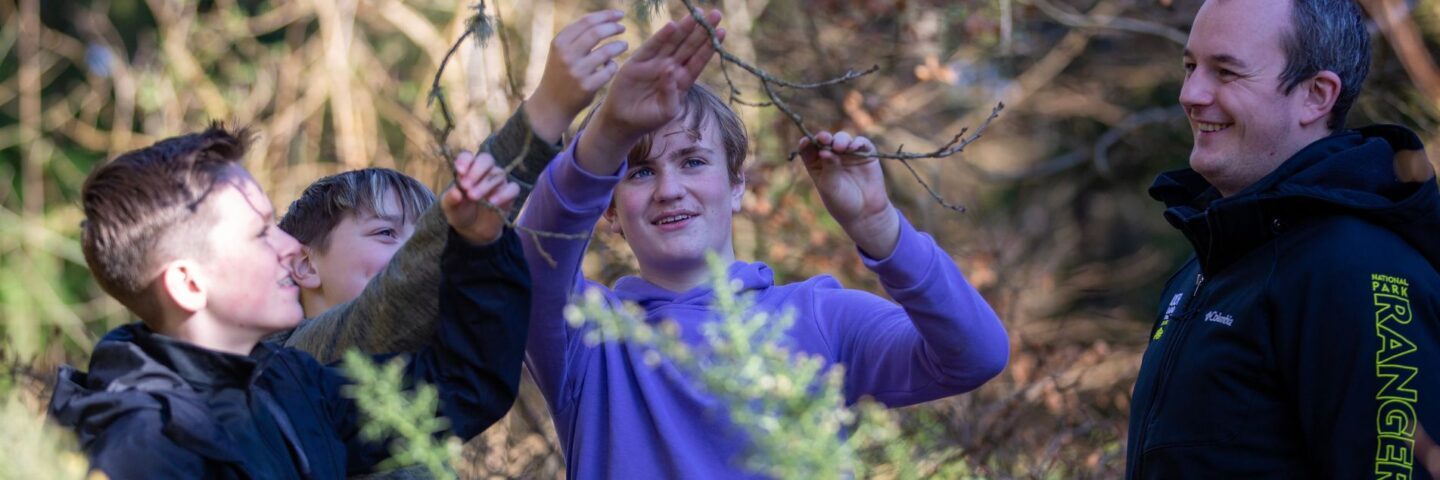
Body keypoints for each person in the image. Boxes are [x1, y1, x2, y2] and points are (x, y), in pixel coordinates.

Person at [517, 10, 1009, 478]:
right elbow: (531, 266)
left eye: (692, 162)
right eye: (641, 171)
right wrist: (606, 136)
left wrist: (881, 228)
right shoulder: (587, 337)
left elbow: (975, 355)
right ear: (609, 209)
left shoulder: (820, 318)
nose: (669, 189)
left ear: (737, 185)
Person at [48, 125, 530, 478]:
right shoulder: (139, 448)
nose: (287, 246)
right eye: (261, 233)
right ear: (188, 284)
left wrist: (482, 244)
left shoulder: (293, 386)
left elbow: (461, 389)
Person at [1126, 0, 1440, 477]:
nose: (1191, 93)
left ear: (1316, 95)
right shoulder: (1210, 262)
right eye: (1190, 66)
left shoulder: (1357, 271)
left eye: (1226, 72)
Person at [273, 9, 632, 364]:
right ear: (305, 266)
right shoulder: (289, 365)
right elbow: (402, 290)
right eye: (385, 232)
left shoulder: (431, 378)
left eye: (418, 236)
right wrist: (545, 112)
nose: (414, 252)